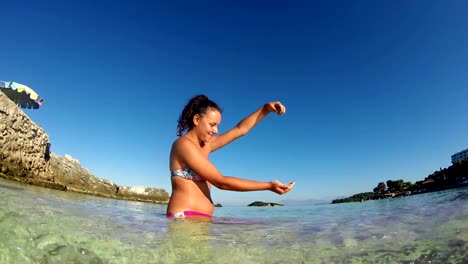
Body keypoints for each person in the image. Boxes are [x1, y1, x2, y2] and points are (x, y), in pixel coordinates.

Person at [166, 94, 295, 221]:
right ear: (196, 120)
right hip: (184, 219)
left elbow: (240, 130)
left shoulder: (206, 146)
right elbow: (221, 182)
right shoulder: (183, 145)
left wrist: (265, 109)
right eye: (212, 124)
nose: (216, 130)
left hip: (200, 221)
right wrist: (269, 186)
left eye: (217, 126)